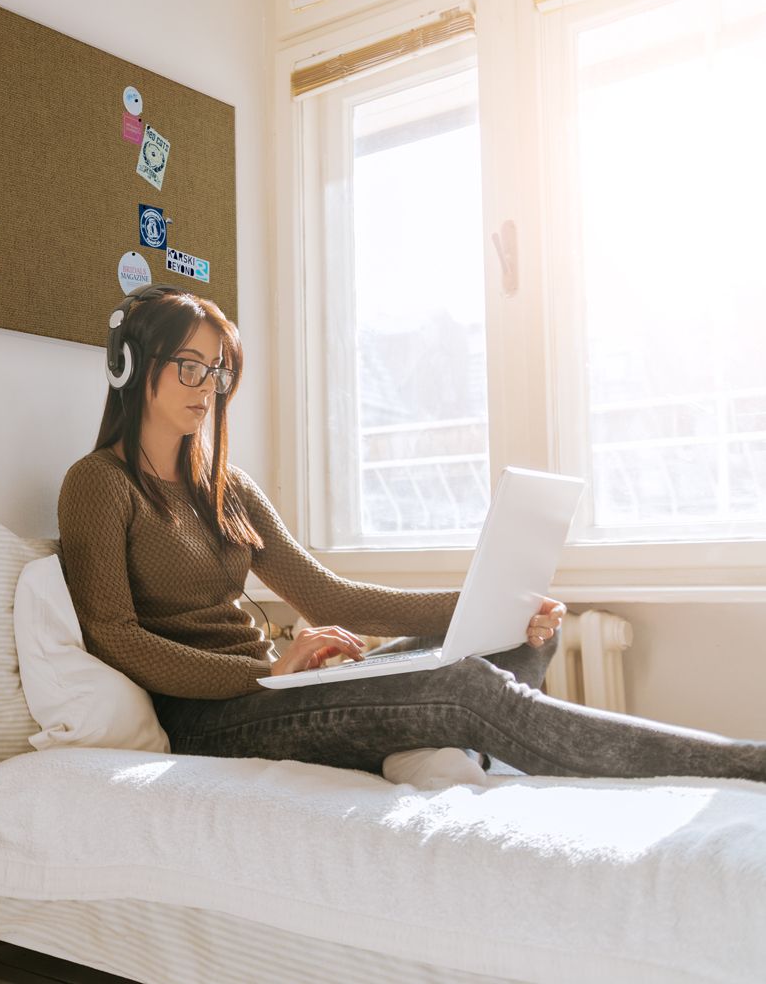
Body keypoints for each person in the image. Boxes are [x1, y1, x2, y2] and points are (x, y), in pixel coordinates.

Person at [56, 283, 766, 782]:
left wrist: (490, 608)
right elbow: (113, 636)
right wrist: (264, 670)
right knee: (466, 691)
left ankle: (421, 754)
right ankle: (742, 764)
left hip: (281, 687)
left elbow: (333, 595)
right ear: (131, 367)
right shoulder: (98, 485)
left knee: (509, 640)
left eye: (217, 370)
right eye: (189, 366)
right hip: (213, 717)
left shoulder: (228, 487)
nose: (207, 386)